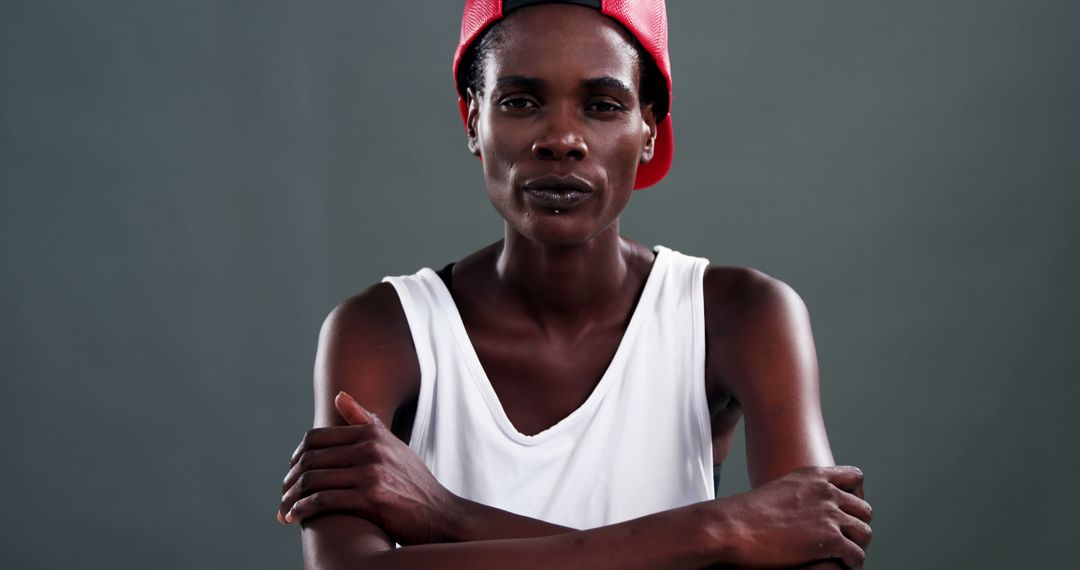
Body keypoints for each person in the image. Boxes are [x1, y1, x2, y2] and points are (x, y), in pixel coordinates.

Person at [276, 1, 873, 568]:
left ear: (649, 131)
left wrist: (451, 518)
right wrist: (720, 534)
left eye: (603, 105)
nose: (561, 138)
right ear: (472, 121)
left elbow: (813, 557)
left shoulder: (741, 315)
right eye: (520, 100)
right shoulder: (385, 329)